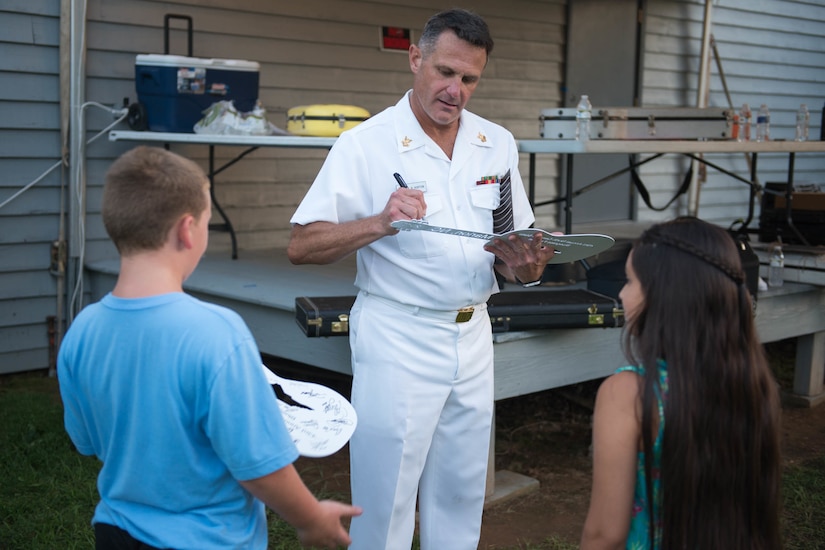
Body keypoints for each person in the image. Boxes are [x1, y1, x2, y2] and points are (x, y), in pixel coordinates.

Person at [287, 8, 556, 550]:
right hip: (398, 332)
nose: (455, 90)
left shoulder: (497, 143)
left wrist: (525, 268)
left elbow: (514, 242)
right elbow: (302, 245)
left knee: (461, 491)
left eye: (469, 79)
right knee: (385, 497)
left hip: (474, 330)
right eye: (445, 72)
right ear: (416, 59)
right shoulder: (366, 143)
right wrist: (379, 222)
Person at [57, 146, 361, 550]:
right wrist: (310, 519)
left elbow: (88, 441)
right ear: (187, 229)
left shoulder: (82, 330)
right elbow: (258, 466)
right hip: (208, 539)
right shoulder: (217, 332)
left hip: (116, 531)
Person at [580, 216, 782, 549]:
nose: (621, 293)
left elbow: (605, 533)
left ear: (662, 296)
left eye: (630, 281)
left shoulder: (627, 395)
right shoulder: (754, 382)